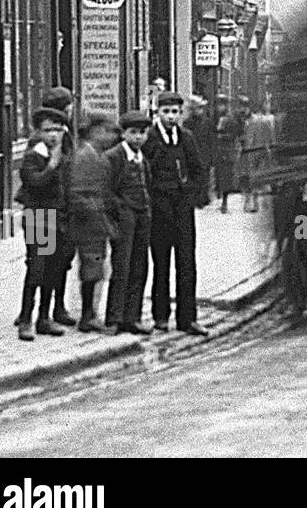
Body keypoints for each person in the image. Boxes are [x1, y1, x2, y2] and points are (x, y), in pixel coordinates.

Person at [144, 91, 209, 336]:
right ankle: (160, 317)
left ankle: (187, 318)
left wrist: (191, 195)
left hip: (182, 210)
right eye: (166, 112)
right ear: (157, 113)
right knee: (161, 264)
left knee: (186, 264)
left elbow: (198, 170)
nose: (171, 117)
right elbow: (145, 174)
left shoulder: (186, 138)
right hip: (159, 211)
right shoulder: (150, 139)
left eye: (175, 112)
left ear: (180, 114)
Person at [16, 107, 69, 341]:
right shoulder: (32, 156)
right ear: (38, 131)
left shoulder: (63, 155)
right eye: (48, 130)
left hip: (58, 218)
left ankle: (44, 318)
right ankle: (26, 319)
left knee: (54, 269)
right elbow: (34, 182)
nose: (53, 135)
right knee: (37, 269)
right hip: (37, 218)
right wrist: (51, 166)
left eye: (58, 129)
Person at [68, 113, 121, 332]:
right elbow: (77, 193)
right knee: (92, 267)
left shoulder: (94, 153)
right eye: (108, 131)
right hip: (88, 223)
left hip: (95, 221)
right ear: (96, 132)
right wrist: (95, 213)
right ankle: (87, 315)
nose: (111, 137)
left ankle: (90, 312)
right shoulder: (85, 156)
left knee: (96, 267)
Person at [104, 111, 154, 334]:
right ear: (123, 134)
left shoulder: (143, 158)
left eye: (142, 133)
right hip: (123, 219)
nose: (138, 138)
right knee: (121, 267)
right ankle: (114, 318)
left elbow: (148, 186)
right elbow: (106, 192)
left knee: (139, 266)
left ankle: (132, 317)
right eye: (133, 132)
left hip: (142, 216)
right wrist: (121, 210)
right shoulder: (114, 157)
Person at [37, 86, 78, 327]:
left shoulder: (66, 134)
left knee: (62, 258)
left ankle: (57, 307)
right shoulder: (46, 138)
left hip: (64, 204)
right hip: (48, 208)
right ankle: (40, 313)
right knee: (45, 260)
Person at [242, 100, 277, 213]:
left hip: (252, 152)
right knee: (262, 178)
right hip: (264, 151)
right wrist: (271, 149)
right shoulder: (267, 121)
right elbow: (271, 137)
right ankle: (263, 204)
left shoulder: (250, 122)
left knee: (252, 178)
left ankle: (252, 203)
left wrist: (247, 151)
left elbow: (248, 138)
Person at [215, 100, 245, 213]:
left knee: (226, 176)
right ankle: (223, 200)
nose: (219, 107)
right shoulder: (219, 118)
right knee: (223, 176)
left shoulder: (228, 119)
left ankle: (224, 202)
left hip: (227, 151)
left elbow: (236, 134)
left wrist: (221, 135)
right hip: (224, 151)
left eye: (221, 105)